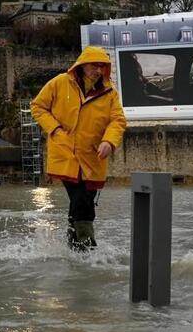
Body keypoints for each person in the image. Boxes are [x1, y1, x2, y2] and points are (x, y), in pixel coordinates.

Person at [31, 46, 126, 251]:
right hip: (65, 153)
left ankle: (74, 244)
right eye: (94, 65)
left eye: (102, 66)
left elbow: (117, 120)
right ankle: (87, 244)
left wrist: (109, 141)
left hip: (93, 156)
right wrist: (54, 129)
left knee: (83, 199)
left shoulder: (110, 93)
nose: (98, 70)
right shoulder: (59, 83)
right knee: (81, 198)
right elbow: (38, 106)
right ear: (82, 65)